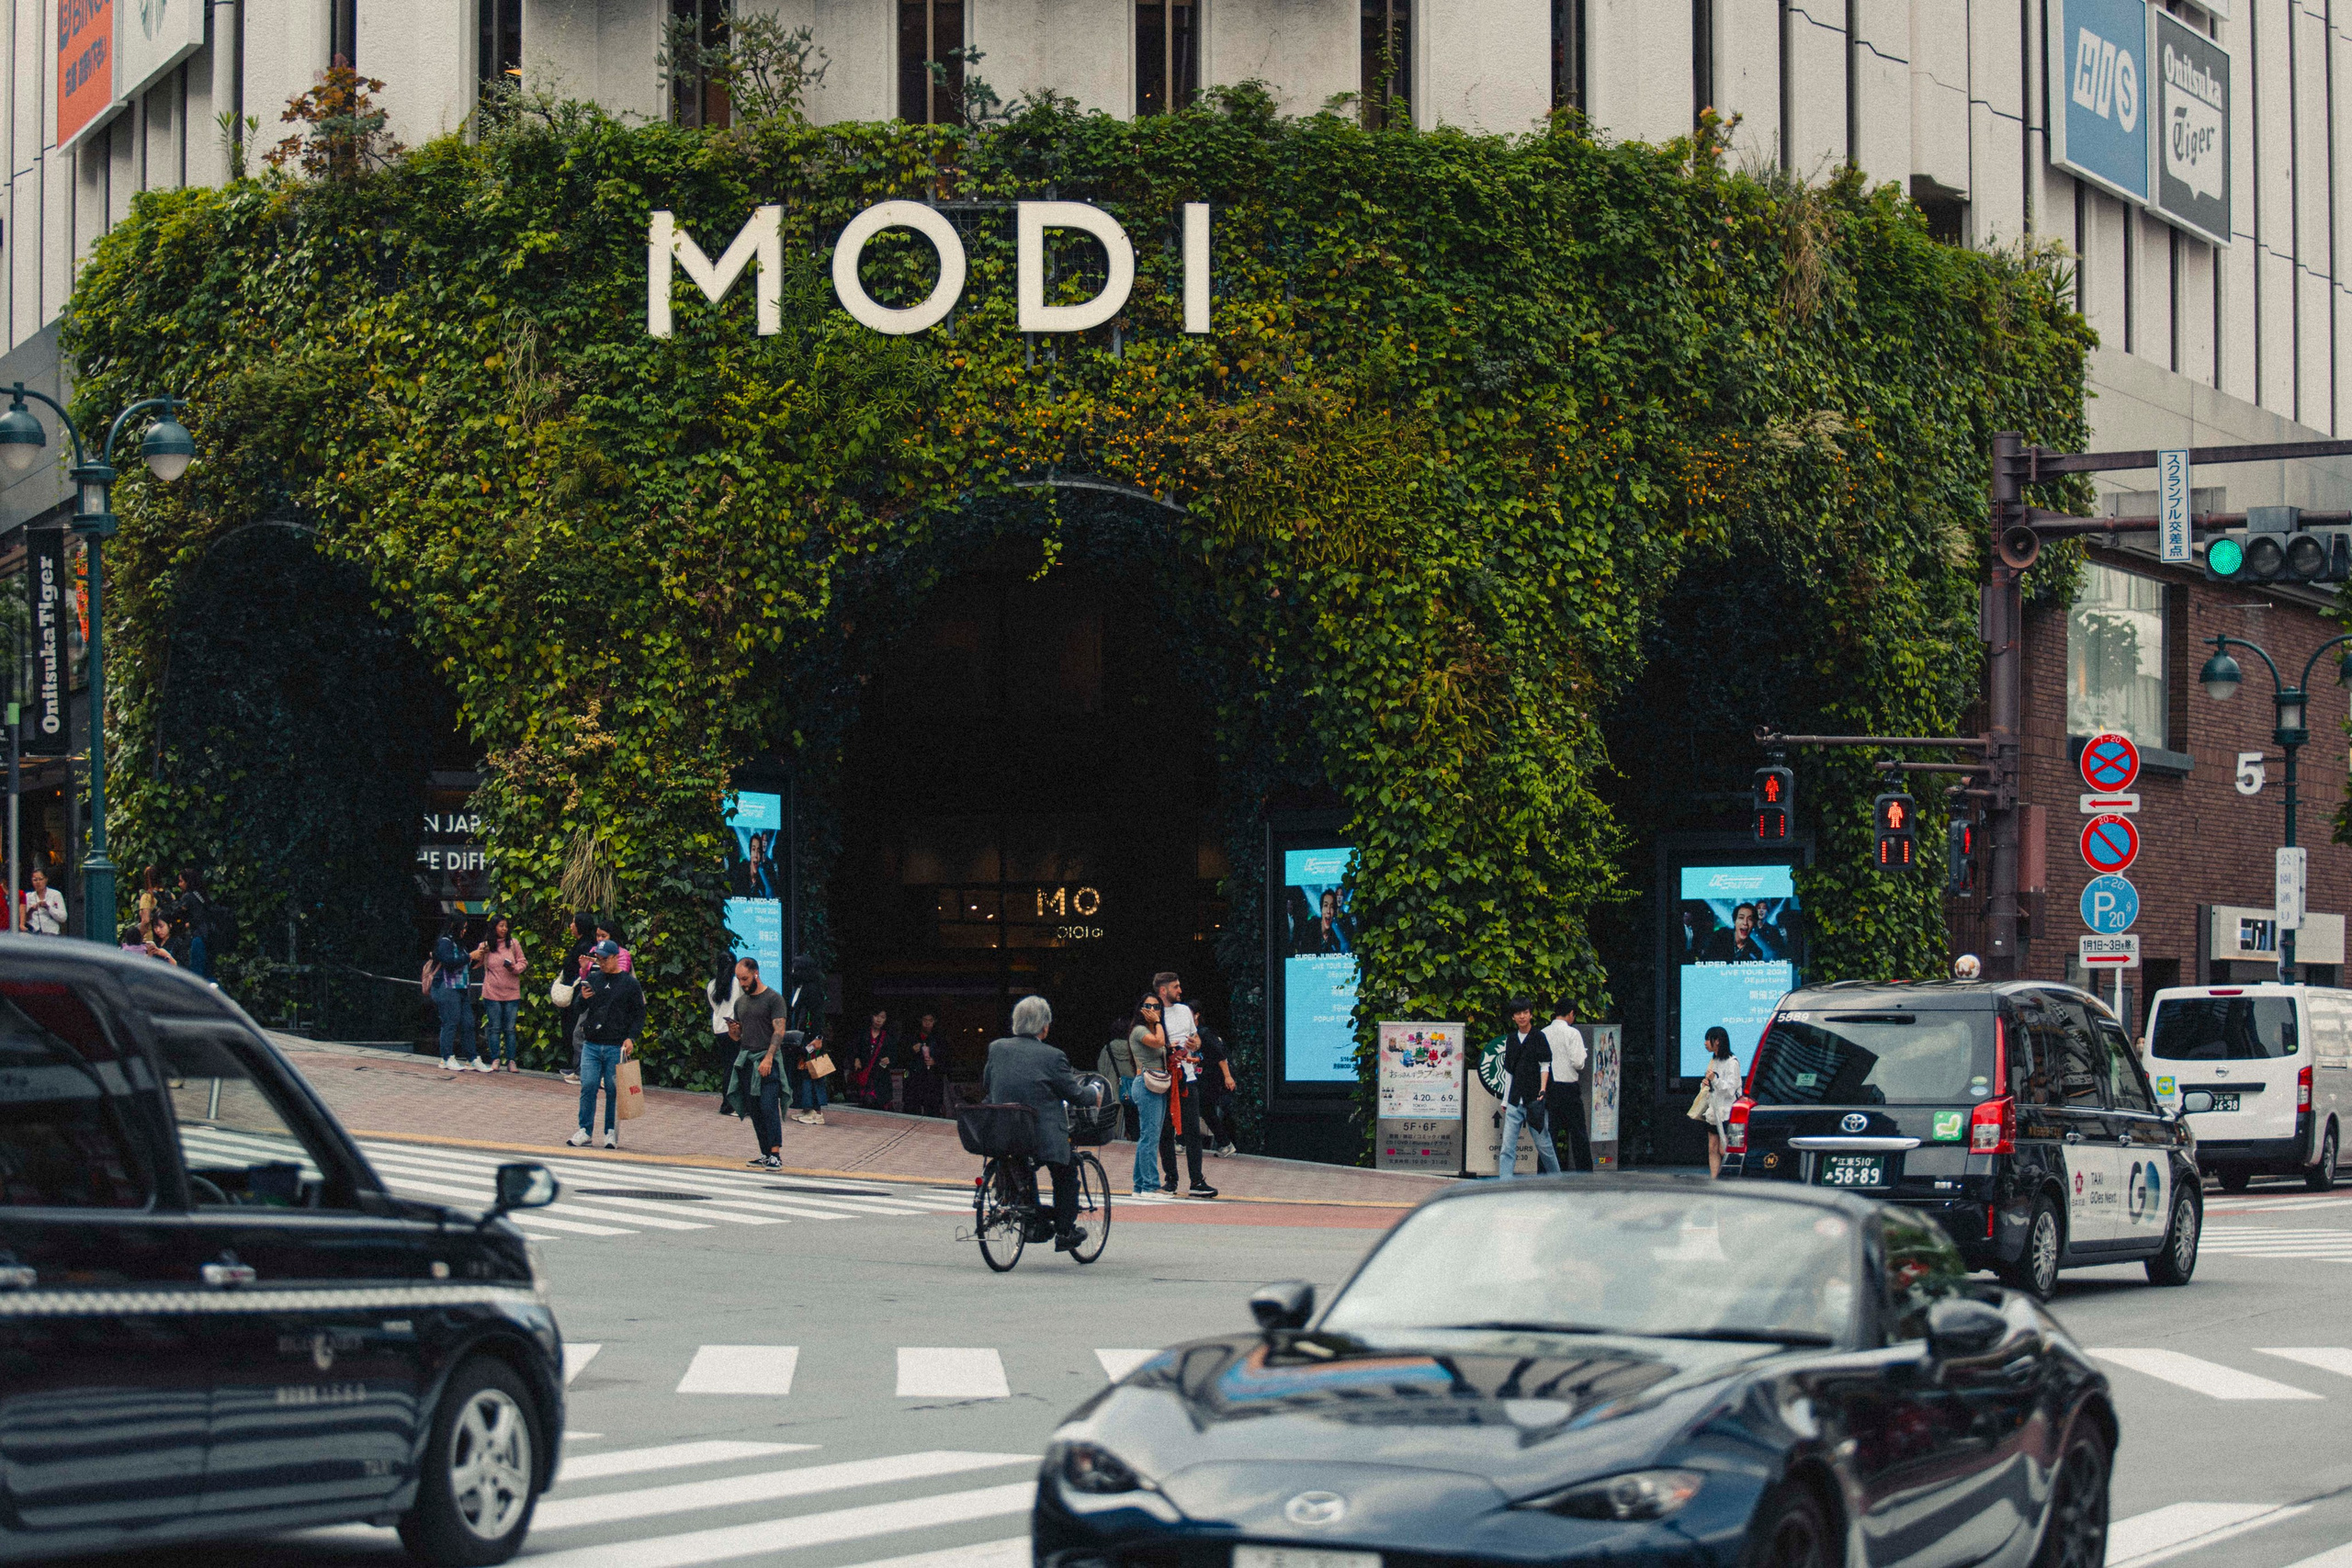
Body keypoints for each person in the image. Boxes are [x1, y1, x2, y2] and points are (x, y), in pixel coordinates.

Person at [980, 994, 1102, 1253]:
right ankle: (1065, 1231)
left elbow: (986, 1084)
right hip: (1042, 1133)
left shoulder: (997, 1048)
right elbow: (1075, 1094)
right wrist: (1094, 1092)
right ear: (1044, 1027)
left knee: (1020, 1163)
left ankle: (1032, 1222)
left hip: (1004, 1131)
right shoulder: (1053, 1056)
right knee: (1065, 1171)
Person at [570, 939, 642, 1148]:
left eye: (604, 959)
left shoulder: (630, 984)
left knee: (612, 1088)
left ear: (615, 958)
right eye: (598, 958)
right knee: (589, 1086)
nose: (600, 963)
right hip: (592, 1042)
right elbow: (578, 1008)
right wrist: (582, 998)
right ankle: (585, 1130)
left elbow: (639, 1014)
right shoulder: (593, 979)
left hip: (615, 1044)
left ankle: (610, 1131)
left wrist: (631, 1037)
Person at [729, 957, 789, 1168]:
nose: (742, 983)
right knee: (753, 1108)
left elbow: (779, 1031)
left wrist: (769, 1057)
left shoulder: (773, 999)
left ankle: (775, 1154)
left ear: (756, 973)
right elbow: (740, 1036)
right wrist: (734, 1032)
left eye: (745, 978)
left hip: (767, 1059)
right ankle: (765, 1151)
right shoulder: (740, 1003)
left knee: (768, 1106)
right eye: (739, 979)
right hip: (748, 1058)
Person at [1496, 998, 1560, 1180]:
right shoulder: (1511, 1039)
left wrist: (1542, 1090)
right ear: (1513, 1017)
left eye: (1525, 1012)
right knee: (1507, 1147)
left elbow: (1545, 1065)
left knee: (1544, 1146)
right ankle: (1505, 1184)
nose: (1522, 1016)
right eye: (1518, 1013)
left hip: (1534, 1100)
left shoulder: (1539, 1037)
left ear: (1531, 1014)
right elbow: (1509, 1072)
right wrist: (1505, 1100)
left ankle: (1558, 1180)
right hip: (1515, 1100)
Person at [1542, 998, 1593, 1172]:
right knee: (1578, 1133)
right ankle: (1584, 1173)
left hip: (1549, 1086)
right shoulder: (1573, 1034)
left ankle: (1546, 1172)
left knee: (1550, 1133)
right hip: (1569, 1087)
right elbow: (1578, 1063)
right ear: (1571, 1013)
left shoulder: (1543, 1033)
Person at [474, 914, 527, 1072]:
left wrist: (514, 968)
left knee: (510, 1028)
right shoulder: (485, 945)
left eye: (505, 926)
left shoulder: (513, 944)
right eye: (501, 926)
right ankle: (495, 1059)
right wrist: (481, 952)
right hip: (492, 991)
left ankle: (511, 1061)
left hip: (511, 991)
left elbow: (523, 962)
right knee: (494, 1027)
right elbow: (476, 964)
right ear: (494, 927)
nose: (504, 929)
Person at [1127, 995, 1168, 1196]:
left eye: (1156, 1006)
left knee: (1149, 1136)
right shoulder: (1139, 1030)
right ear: (1140, 1009)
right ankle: (1150, 1185)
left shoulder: (1153, 1029)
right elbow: (1159, 1042)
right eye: (1148, 1006)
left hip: (1157, 1084)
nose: (1152, 1009)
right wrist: (1158, 1022)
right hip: (1146, 1084)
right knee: (1150, 1136)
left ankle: (1139, 1185)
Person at [429, 915, 477, 1071]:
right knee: (450, 1022)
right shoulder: (445, 942)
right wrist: (469, 956)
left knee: (468, 1023)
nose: (464, 931)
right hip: (447, 987)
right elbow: (449, 962)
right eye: (463, 927)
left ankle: (472, 1058)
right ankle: (446, 1057)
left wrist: (475, 958)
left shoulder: (459, 944)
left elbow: (463, 964)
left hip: (462, 987)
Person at [559, 912, 597, 1084]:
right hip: (574, 993)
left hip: (579, 995)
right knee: (571, 1030)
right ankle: (575, 1066)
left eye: (573, 923)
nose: (571, 926)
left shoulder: (586, 947)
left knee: (576, 1030)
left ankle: (579, 1069)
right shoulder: (581, 944)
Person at [1701, 1026, 1743, 1178]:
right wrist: (1706, 1083)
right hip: (1715, 1110)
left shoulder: (1732, 1062)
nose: (1705, 1043)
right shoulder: (1714, 1060)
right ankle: (1714, 1179)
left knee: (1723, 1148)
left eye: (1708, 1039)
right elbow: (1713, 1086)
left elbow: (1731, 1089)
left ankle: (1727, 1179)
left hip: (1728, 1112)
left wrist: (1715, 1080)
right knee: (1712, 1147)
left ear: (1717, 1041)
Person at [707, 945, 745, 1110]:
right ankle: (733, 1104)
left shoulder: (712, 985)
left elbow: (714, 1007)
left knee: (728, 1065)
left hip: (720, 1028)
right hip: (736, 1028)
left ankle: (727, 1102)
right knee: (737, 1066)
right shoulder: (738, 983)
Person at [1194, 1014, 1238, 1156]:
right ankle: (1225, 1144)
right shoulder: (1191, 1033)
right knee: (1205, 1112)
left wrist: (1228, 1077)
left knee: (1203, 1110)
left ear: (1196, 1015)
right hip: (1199, 1078)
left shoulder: (1204, 1033)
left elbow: (1221, 1056)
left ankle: (1181, 1143)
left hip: (1209, 1079)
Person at [1098, 1012, 1139, 1142]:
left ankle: (1111, 1143)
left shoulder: (1107, 1048)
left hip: (1112, 1093)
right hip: (1130, 1091)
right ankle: (1133, 1144)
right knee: (1133, 1123)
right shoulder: (1134, 1048)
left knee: (1110, 1124)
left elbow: (1102, 1070)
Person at [904, 1010, 948, 1118]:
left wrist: (935, 1062)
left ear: (935, 1022)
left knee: (932, 1115)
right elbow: (901, 1058)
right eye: (925, 1020)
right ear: (920, 1021)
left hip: (933, 1083)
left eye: (931, 1020)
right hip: (915, 1083)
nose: (927, 1023)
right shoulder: (911, 1037)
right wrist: (911, 1051)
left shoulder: (940, 1039)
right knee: (912, 1114)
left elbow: (947, 1061)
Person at [171, 871, 214, 979]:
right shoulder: (201, 895)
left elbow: (177, 913)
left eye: (181, 881)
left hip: (198, 937)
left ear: (188, 882)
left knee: (197, 974)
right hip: (209, 937)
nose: (179, 884)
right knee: (207, 973)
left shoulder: (188, 897)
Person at [850, 1008, 897, 1108]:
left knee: (875, 1102)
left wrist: (889, 1060)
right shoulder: (863, 1033)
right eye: (876, 1016)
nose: (878, 1020)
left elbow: (895, 1056)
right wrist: (856, 1059)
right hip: (864, 1075)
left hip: (880, 1077)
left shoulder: (888, 1037)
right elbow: (853, 1049)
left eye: (882, 1017)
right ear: (871, 1016)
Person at [1700, 902, 1770, 963]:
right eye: (1741, 918)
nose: (1745, 923)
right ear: (1734, 921)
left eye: (1750, 919)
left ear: (1754, 924)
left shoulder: (1756, 952)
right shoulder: (1718, 936)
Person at [21, 867, 64, 936]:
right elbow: (23, 920)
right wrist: (31, 910)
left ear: (46, 879)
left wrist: (48, 907)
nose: (38, 882)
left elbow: (63, 917)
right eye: (35, 880)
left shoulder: (56, 894)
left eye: (41, 879)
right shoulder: (28, 896)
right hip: (33, 933)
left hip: (52, 933)